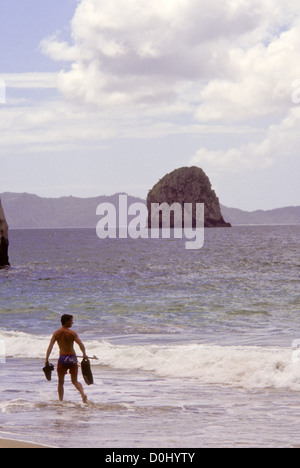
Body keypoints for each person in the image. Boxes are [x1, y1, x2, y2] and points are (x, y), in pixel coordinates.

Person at [45, 314, 88, 403]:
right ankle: (83, 394)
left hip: (62, 358)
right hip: (72, 358)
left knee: (61, 382)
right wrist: (84, 354)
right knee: (75, 381)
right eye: (71, 321)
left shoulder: (56, 333)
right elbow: (81, 345)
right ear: (67, 321)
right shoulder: (72, 333)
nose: (73, 322)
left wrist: (46, 359)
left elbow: (50, 347)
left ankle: (61, 401)